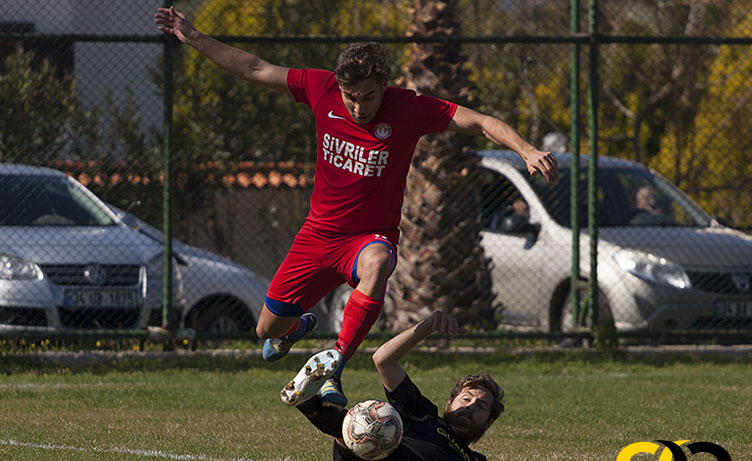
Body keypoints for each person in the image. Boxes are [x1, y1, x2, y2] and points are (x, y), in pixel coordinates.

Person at [155, 6, 559, 408]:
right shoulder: (320, 87)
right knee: (266, 328)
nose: (360, 107)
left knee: (379, 263)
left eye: (369, 96)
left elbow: (479, 120)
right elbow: (255, 68)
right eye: (352, 97)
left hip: (367, 239)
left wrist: (525, 149)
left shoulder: (409, 107)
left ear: (384, 84)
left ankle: (335, 364)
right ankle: (295, 327)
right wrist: (193, 37)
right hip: (317, 235)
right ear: (340, 88)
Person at [218, 310, 630, 461]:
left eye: (481, 406)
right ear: (450, 403)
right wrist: (425, 328)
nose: (470, 406)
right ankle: (304, 410)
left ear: (487, 426)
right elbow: (383, 359)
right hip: (370, 449)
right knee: (376, 419)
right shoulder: (423, 414)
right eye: (466, 398)